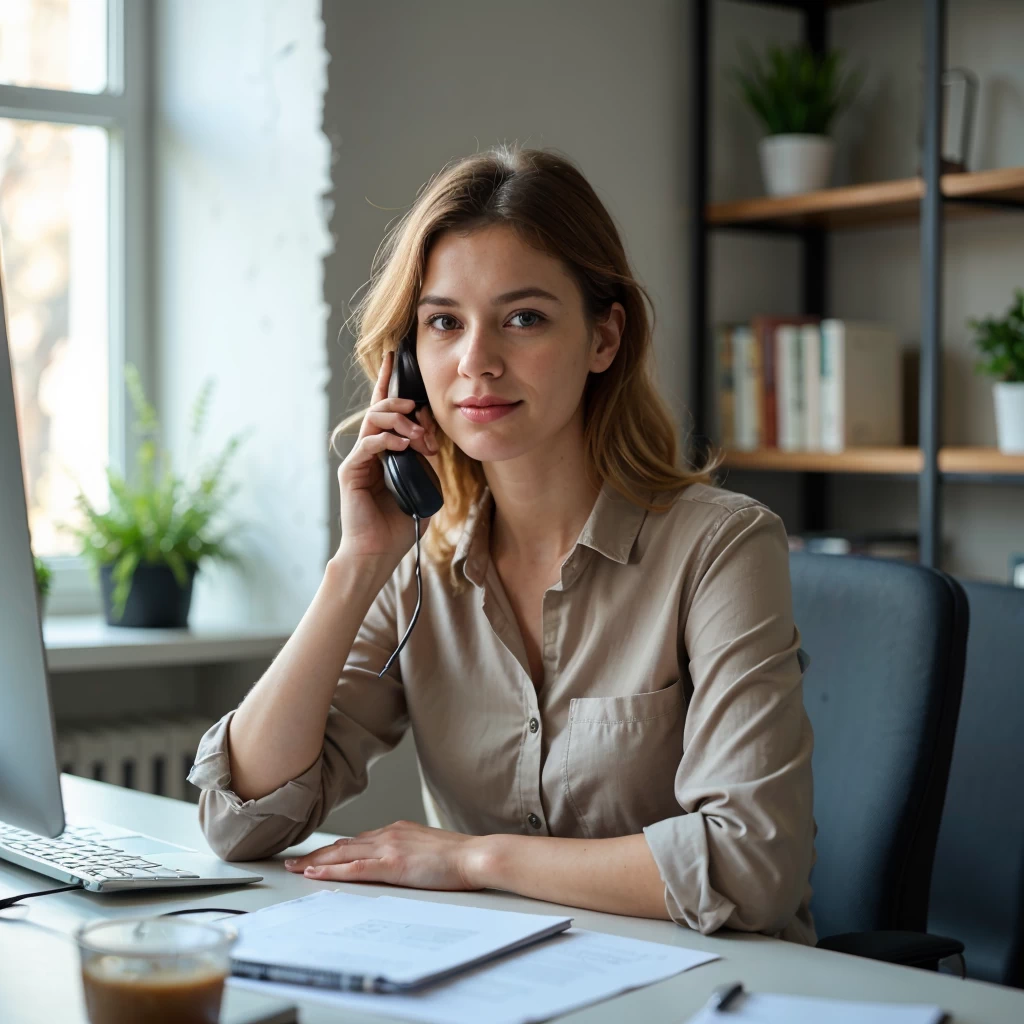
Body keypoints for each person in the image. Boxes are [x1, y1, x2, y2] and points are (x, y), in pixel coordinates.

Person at [189, 144, 817, 944]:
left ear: (603, 339)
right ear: (408, 363)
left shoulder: (721, 549)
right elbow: (239, 821)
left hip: (711, 984)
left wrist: (476, 860)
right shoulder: (417, 565)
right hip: (500, 983)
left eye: (523, 318)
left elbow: (752, 868)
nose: (476, 362)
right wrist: (355, 567)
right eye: (444, 323)